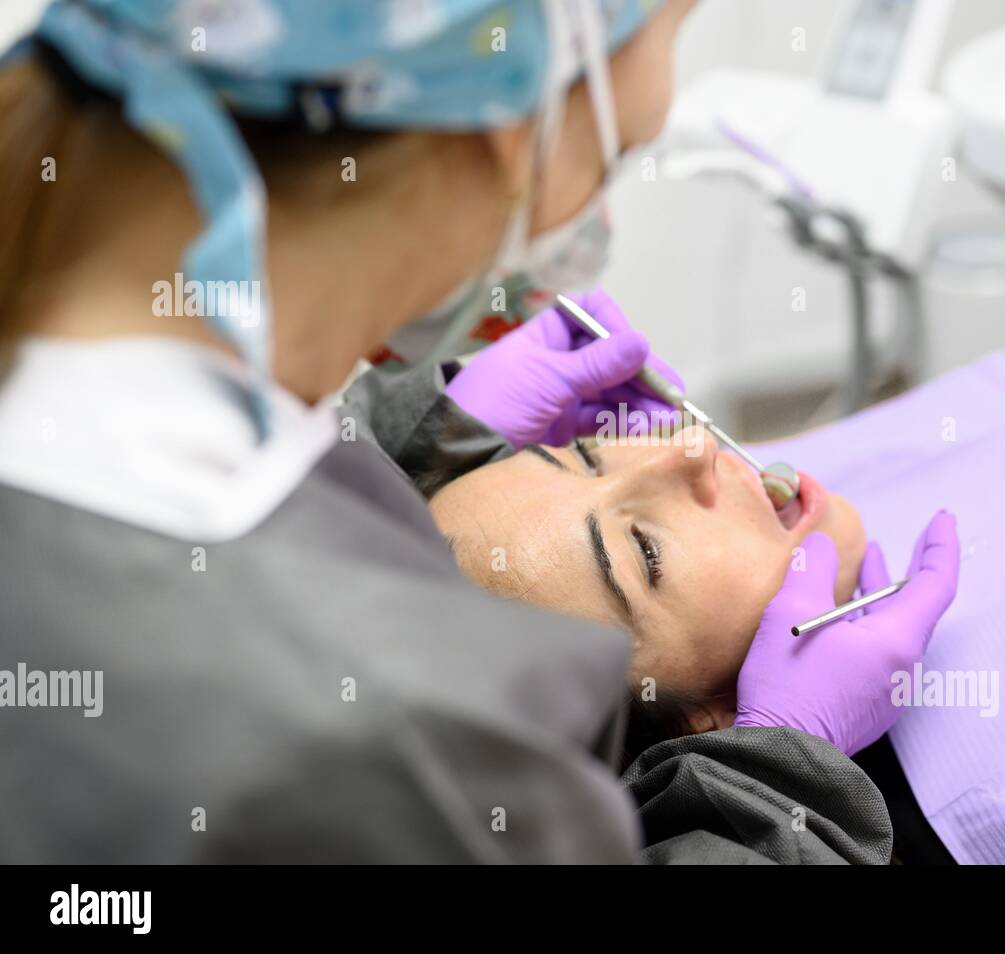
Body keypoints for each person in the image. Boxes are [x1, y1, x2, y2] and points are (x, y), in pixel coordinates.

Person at [0, 0, 957, 864]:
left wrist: (420, 440)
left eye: (572, 450)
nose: (691, 445)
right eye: (645, 555)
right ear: (512, 122)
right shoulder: (420, 749)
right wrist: (777, 793)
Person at [430, 350, 1005, 864]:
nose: (686, 447)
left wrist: (433, 431)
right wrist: (774, 767)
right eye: (645, 551)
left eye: (583, 455)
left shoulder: (799, 500)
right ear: (706, 724)